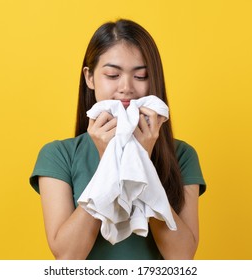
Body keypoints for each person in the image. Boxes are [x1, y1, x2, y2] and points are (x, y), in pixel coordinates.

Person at [29, 19, 206, 260]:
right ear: (89, 78)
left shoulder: (182, 155)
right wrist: (109, 165)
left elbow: (182, 256)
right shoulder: (58, 155)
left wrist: (141, 161)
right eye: (112, 75)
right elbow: (68, 256)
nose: (126, 88)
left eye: (141, 76)